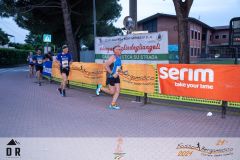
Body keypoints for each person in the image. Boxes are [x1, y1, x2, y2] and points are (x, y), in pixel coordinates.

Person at [96, 45, 127, 110]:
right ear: (115, 51)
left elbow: (117, 68)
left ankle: (112, 104)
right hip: (111, 77)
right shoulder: (113, 57)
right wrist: (112, 73)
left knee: (118, 91)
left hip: (116, 77)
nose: (120, 50)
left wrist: (123, 72)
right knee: (112, 92)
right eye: (118, 49)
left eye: (121, 49)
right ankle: (100, 88)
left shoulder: (119, 58)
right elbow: (106, 65)